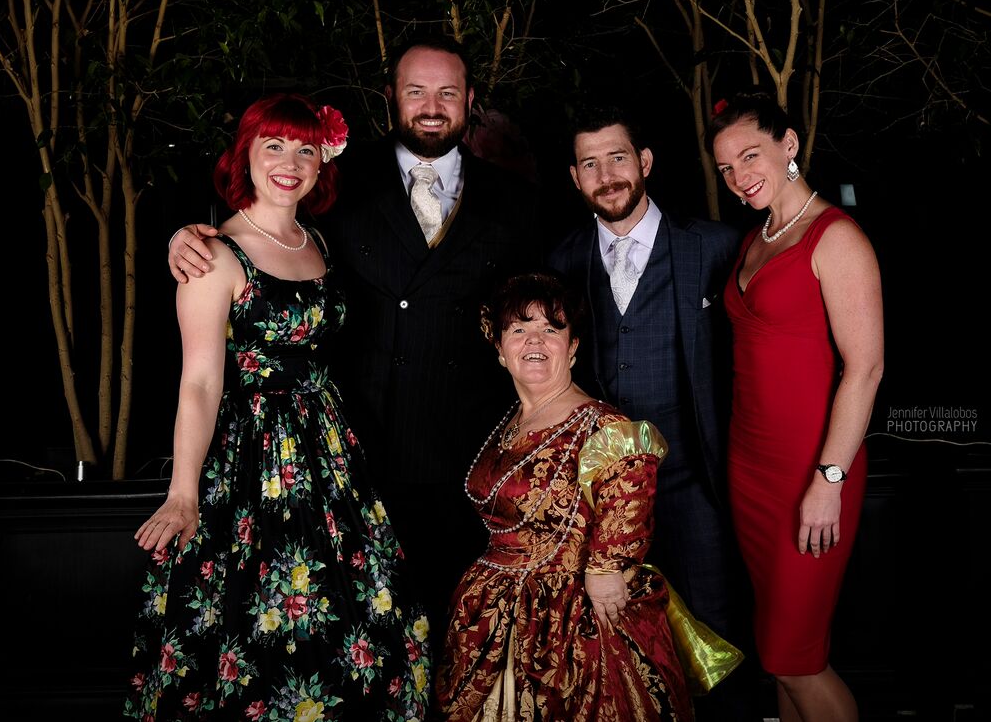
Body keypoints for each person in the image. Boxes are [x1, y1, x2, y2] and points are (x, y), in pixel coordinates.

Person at [166, 35, 542, 645]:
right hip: (360, 448)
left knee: (454, 633)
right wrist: (184, 236)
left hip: (466, 449)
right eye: (416, 90)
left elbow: (543, 314)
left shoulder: (516, 199)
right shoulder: (340, 183)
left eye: (447, 93)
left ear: (470, 100)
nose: (431, 106)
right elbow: (259, 221)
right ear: (389, 96)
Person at [126, 93, 432, 720]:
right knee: (258, 619)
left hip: (328, 451)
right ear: (246, 156)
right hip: (252, 458)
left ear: (322, 164)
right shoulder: (214, 255)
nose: (289, 164)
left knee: (361, 615)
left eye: (305, 150)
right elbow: (199, 382)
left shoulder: (317, 239)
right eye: (274, 147)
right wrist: (183, 493)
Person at [547, 102, 752, 716]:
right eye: (590, 164)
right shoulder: (562, 261)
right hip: (603, 501)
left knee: (719, 645)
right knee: (622, 656)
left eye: (618, 158)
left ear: (645, 162)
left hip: (697, 484)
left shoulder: (713, 247)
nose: (606, 175)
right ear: (575, 178)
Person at [435, 271, 694, 721]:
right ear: (500, 349)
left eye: (551, 329)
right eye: (519, 329)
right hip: (490, 613)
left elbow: (626, 513)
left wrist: (605, 571)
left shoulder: (605, 429)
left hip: (569, 622)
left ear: (572, 347)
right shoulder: (507, 423)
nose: (535, 340)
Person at [708, 91, 884, 722]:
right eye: (726, 168)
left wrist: (829, 479)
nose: (739, 176)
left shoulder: (837, 238)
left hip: (811, 470)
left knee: (795, 659)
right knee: (778, 649)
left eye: (750, 156)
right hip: (750, 470)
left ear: (789, 144)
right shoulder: (756, 237)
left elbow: (866, 369)